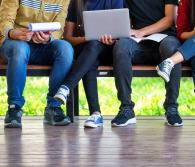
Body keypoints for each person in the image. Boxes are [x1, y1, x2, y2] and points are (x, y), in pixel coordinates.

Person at [0, 0, 74, 128]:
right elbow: (5, 19)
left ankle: (53, 107)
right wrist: (12, 32)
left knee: (66, 49)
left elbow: (59, 27)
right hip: (15, 42)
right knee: (20, 50)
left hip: (43, 45)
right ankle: (14, 108)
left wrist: (48, 38)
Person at [53, 0, 125, 128]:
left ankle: (66, 87)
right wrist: (89, 38)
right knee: (92, 50)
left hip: (109, 50)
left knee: (90, 54)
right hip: (85, 48)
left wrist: (112, 39)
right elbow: (68, 37)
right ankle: (95, 114)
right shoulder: (77, 2)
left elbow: (121, 31)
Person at [112, 0, 182, 127]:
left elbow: (170, 19)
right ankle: (126, 108)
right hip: (139, 41)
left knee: (171, 48)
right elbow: (123, 19)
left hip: (165, 38)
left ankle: (171, 107)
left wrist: (142, 31)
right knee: (121, 46)